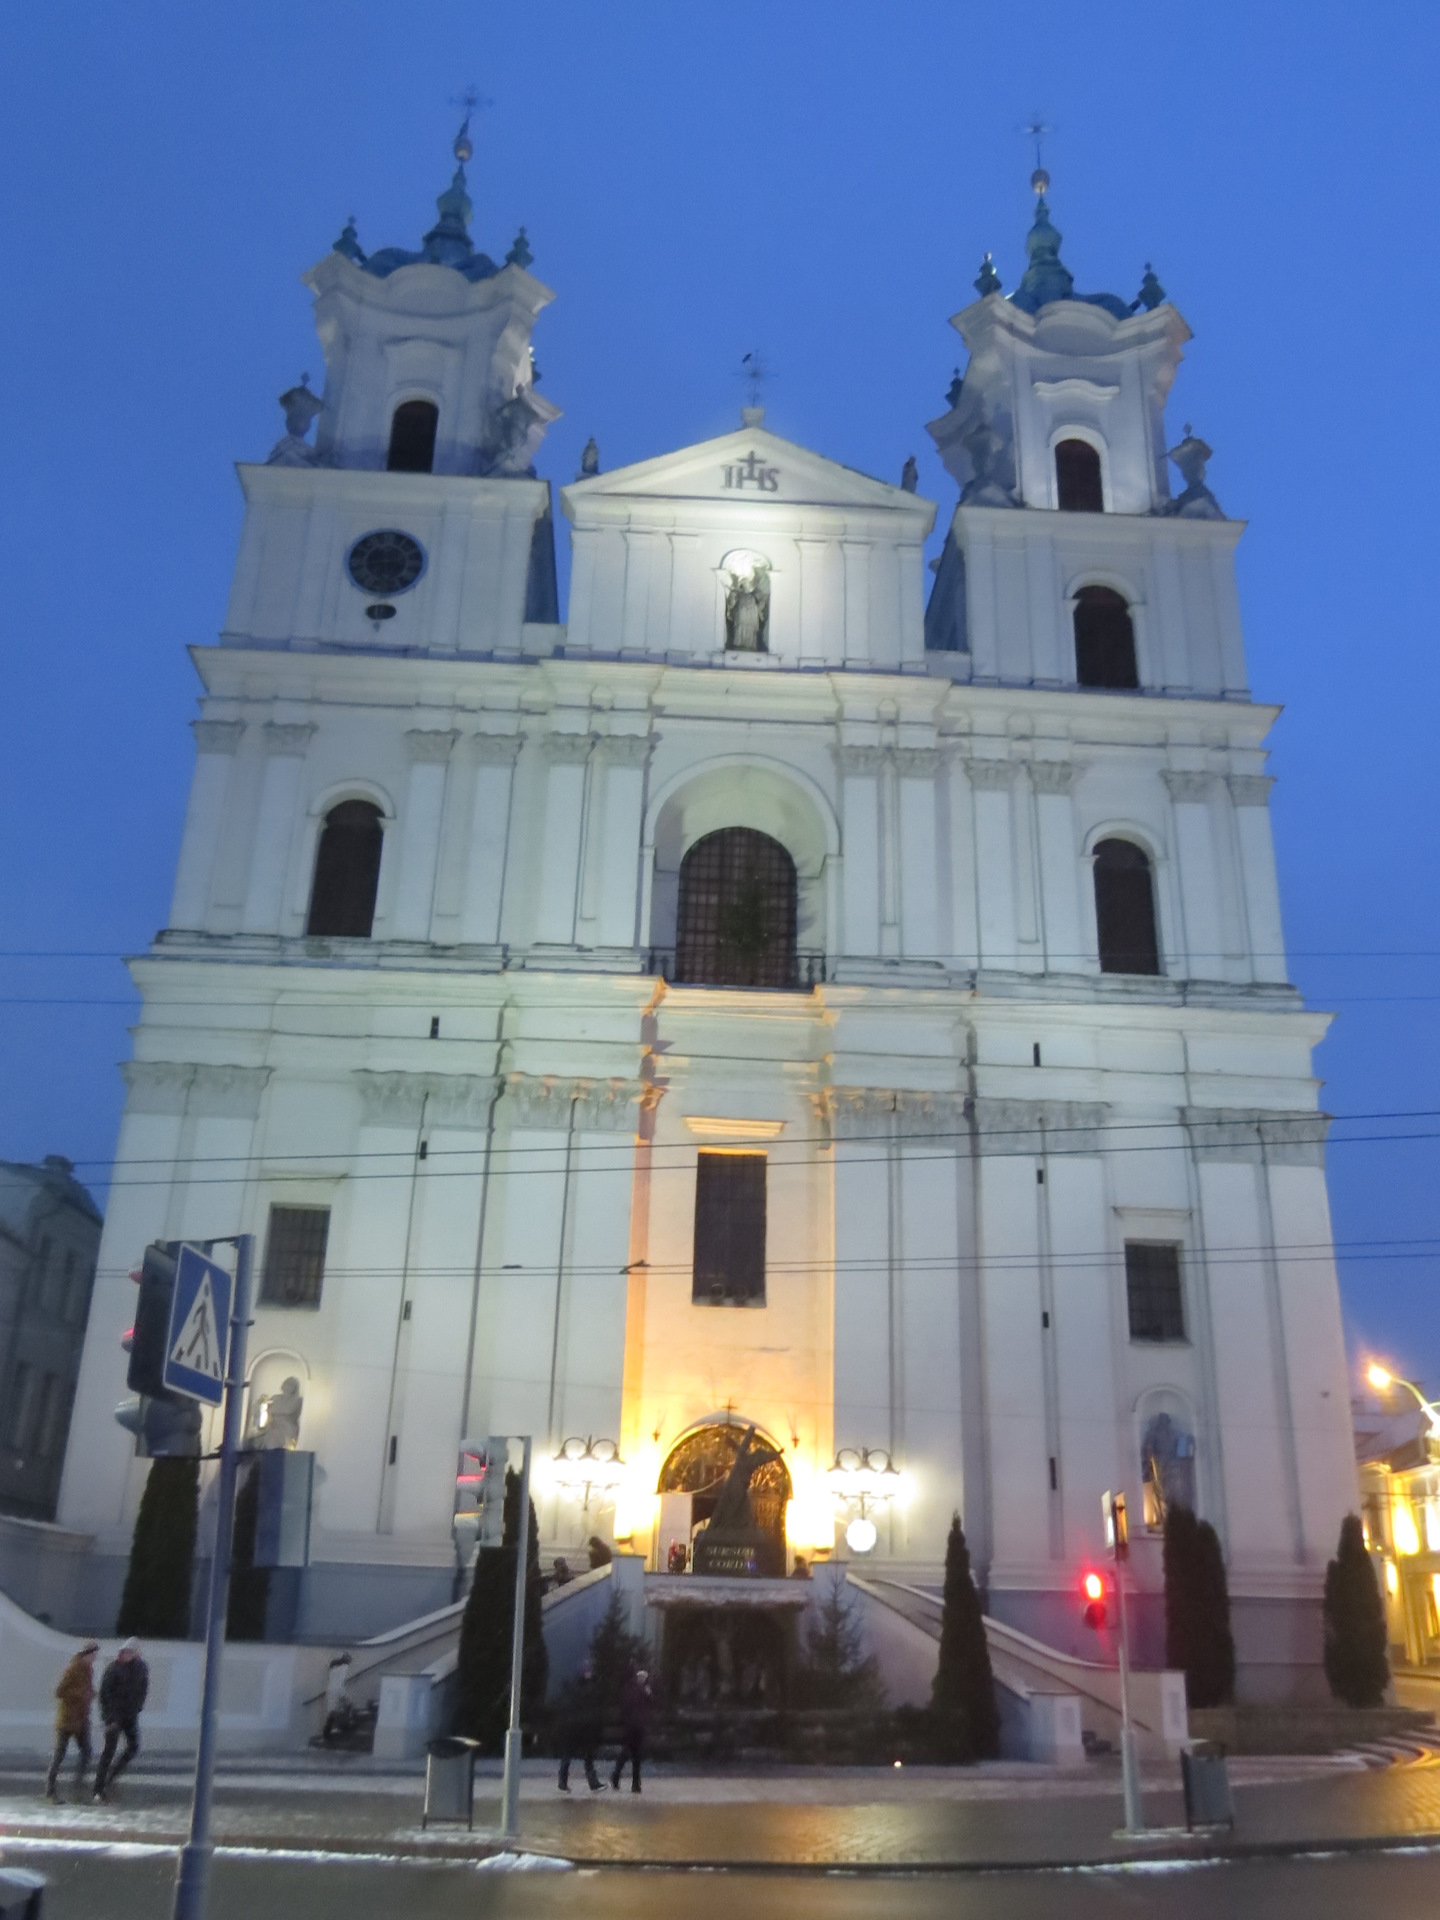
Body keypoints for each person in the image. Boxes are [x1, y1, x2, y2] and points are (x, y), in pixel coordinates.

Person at [93, 1638, 150, 1802]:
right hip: (114, 1716)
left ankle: (111, 1778)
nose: (126, 1655)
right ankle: (98, 1788)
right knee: (108, 1752)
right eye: (124, 1652)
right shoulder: (113, 1669)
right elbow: (105, 1694)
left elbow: (143, 1689)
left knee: (133, 1747)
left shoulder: (141, 1668)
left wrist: (138, 1707)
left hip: (130, 1715)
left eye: (130, 1652)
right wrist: (109, 1718)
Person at [45, 1641, 98, 1800]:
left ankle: (78, 1783)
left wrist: (91, 1693)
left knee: (87, 1752)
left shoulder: (89, 1670)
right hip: (67, 1720)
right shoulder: (73, 1668)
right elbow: (59, 1691)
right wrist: (82, 1694)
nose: (94, 1657)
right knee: (59, 1755)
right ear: (86, 1654)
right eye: (93, 1654)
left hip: (81, 1719)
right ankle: (50, 1789)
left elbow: (86, 1689)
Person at [556, 1662, 606, 1794]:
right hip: (582, 1727)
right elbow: (593, 1709)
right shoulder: (591, 1689)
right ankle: (592, 1784)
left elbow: (568, 1707)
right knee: (586, 1756)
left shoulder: (574, 1688)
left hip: (574, 1727)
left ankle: (563, 1782)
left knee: (571, 1755)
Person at [610, 1666, 653, 1794]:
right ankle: (619, 1777)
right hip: (632, 1726)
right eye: (641, 1676)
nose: (642, 1679)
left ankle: (632, 1783)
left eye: (644, 1677)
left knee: (635, 1756)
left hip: (638, 1726)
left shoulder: (643, 1690)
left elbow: (650, 1704)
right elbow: (627, 1707)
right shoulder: (632, 1690)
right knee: (629, 1753)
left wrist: (649, 1695)